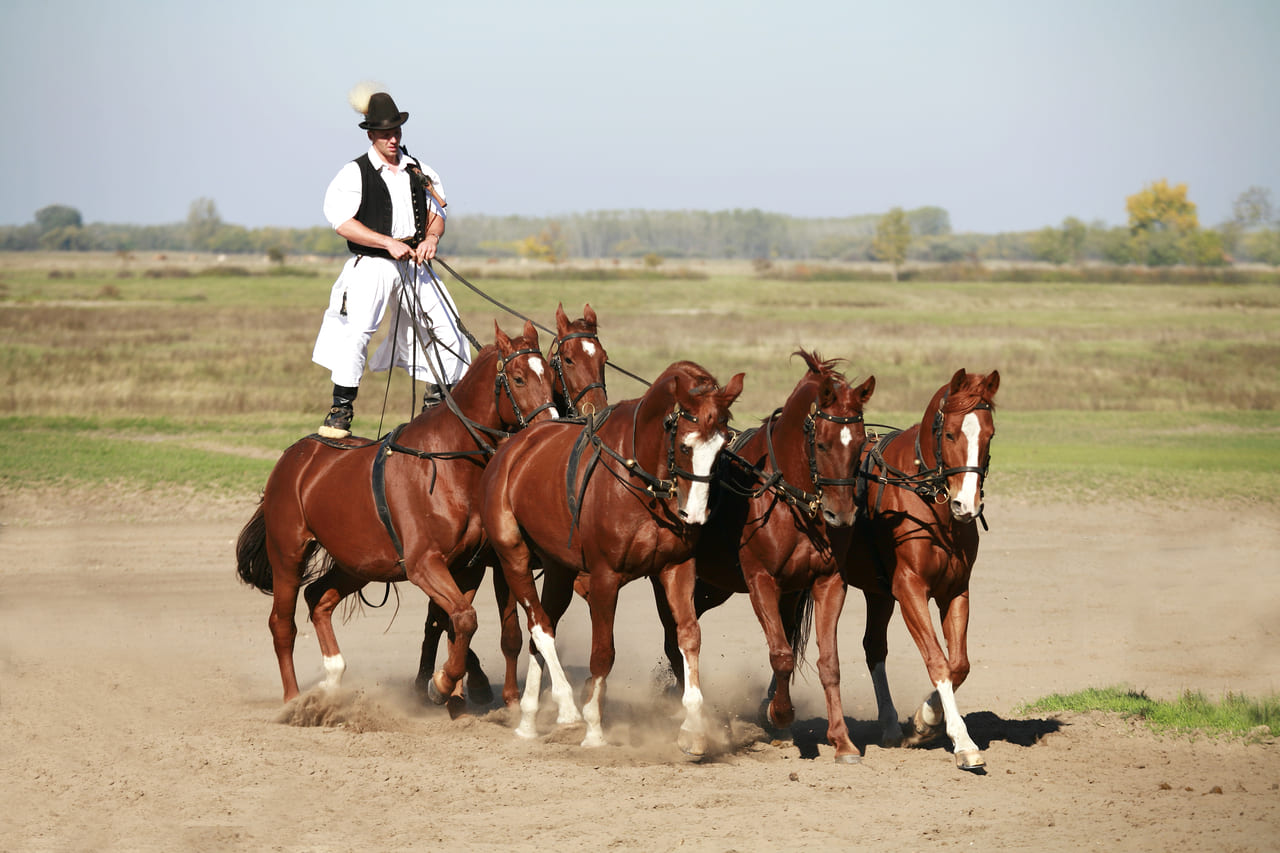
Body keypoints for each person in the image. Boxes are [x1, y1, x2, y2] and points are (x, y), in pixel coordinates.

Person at [312, 87, 471, 438]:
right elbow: (342, 222)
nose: (393, 139)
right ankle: (341, 409)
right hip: (373, 264)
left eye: (396, 132)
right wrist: (386, 242)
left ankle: (437, 406)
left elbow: (437, 213)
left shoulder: (420, 171)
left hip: (415, 262)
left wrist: (431, 239)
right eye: (385, 134)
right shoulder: (354, 173)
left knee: (449, 328)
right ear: (371, 135)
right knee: (359, 332)